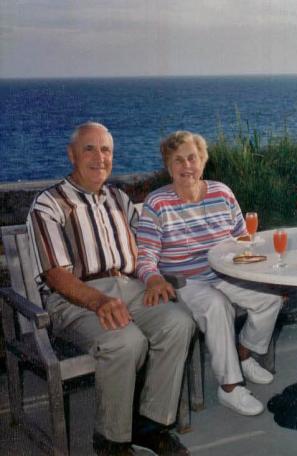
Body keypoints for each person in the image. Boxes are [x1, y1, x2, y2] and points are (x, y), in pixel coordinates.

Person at [27, 122, 194, 456]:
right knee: (125, 341)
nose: (99, 157)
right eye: (89, 148)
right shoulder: (49, 204)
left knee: (178, 322)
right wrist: (99, 301)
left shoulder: (118, 197)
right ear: (71, 155)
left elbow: (147, 247)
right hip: (76, 297)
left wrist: (155, 278)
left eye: (106, 150)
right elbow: (56, 275)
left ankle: (150, 425)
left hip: (128, 286)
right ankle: (112, 441)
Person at [136, 131, 283, 417]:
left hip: (226, 273)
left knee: (271, 297)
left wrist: (260, 269)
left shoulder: (221, 192)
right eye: (178, 160)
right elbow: (146, 255)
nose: (186, 166)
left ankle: (243, 354)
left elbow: (243, 237)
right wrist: (152, 278)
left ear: (203, 161)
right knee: (217, 305)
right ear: (168, 166)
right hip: (184, 281)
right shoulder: (157, 203)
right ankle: (229, 387)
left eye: (192, 158)